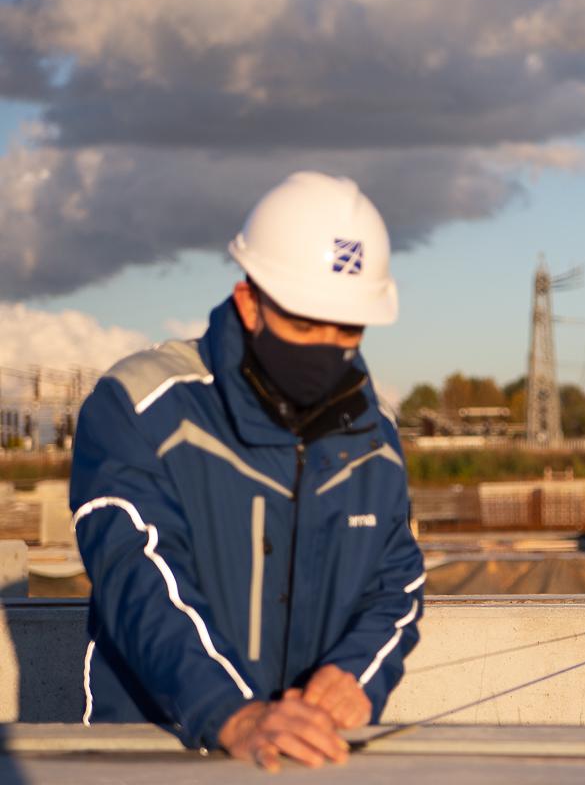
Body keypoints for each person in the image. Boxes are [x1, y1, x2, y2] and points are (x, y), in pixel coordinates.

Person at [70, 171, 424, 771]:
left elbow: (398, 583)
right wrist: (229, 711)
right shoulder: (141, 407)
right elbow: (140, 576)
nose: (328, 346)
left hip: (311, 759)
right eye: (305, 322)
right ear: (248, 302)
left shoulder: (375, 438)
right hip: (153, 758)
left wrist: (354, 673)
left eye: (347, 327)